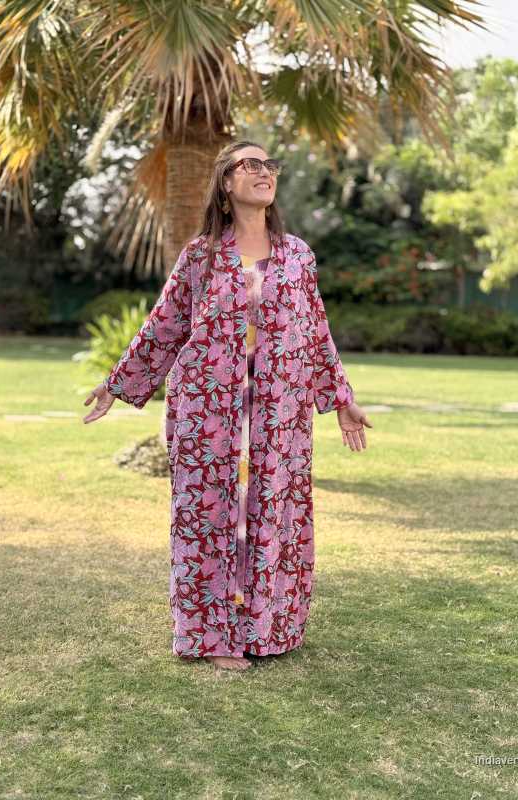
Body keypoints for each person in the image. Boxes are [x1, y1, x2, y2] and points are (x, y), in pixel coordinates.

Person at [83, 140, 373, 671]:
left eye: (270, 165)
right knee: (208, 517)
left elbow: (315, 331)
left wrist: (341, 399)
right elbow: (165, 326)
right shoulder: (200, 256)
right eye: (251, 165)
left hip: (278, 417)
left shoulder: (298, 255)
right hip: (207, 412)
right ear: (225, 183)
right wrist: (117, 384)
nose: (265, 172)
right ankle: (211, 635)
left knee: (272, 514)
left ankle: (266, 628)